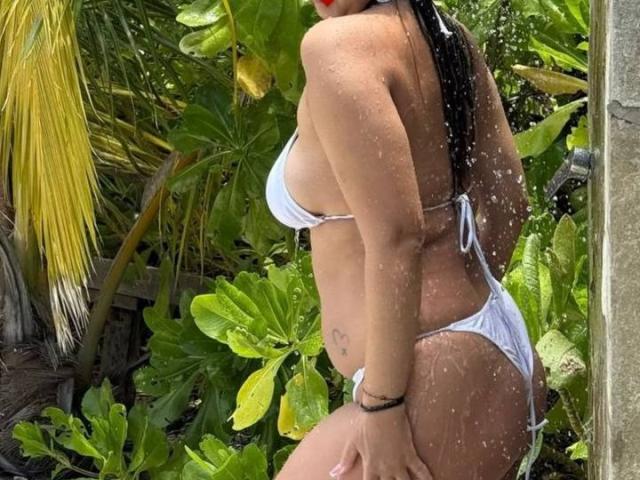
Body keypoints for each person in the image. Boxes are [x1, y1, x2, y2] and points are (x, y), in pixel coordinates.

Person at [265, 0, 549, 478]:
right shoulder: (448, 37)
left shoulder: (336, 46)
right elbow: (509, 201)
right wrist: (460, 307)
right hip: (489, 353)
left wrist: (383, 403)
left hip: (425, 385)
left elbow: (397, 236)